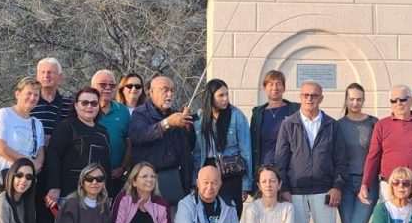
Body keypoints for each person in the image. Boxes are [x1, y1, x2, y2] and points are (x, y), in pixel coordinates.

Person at [275, 81, 344, 223]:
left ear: (321, 98)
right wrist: (283, 188)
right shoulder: (289, 124)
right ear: (300, 97)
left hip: (324, 191)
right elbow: (280, 160)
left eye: (314, 95)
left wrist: (337, 186)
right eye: (305, 95)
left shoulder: (332, 125)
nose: (309, 99)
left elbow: (340, 160)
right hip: (294, 191)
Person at [360, 86, 412, 216]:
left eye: (402, 99)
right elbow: (373, 156)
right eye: (394, 100)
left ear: (411, 101)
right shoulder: (382, 125)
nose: (398, 103)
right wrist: (365, 184)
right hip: (390, 187)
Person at [334, 83, 376, 223]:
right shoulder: (338, 126)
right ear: (346, 99)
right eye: (351, 99)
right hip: (346, 185)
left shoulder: (373, 123)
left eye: (359, 99)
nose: (355, 103)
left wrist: (369, 183)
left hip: (367, 185)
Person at [128, 76, 194, 208]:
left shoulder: (177, 114)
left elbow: (189, 146)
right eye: (164, 90)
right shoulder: (140, 114)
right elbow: (139, 136)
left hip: (176, 180)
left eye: (172, 90)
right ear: (151, 92)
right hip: (151, 180)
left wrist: (188, 127)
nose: (169, 94)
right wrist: (167, 123)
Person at [44, 88, 111, 214]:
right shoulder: (66, 127)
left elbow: (106, 165)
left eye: (94, 103)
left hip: (96, 195)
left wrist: (107, 192)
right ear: (76, 105)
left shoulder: (103, 132)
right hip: (69, 194)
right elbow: (53, 156)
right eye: (84, 103)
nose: (89, 106)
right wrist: (54, 186)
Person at [193, 79, 253, 214]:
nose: (225, 99)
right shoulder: (200, 117)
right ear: (210, 96)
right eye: (221, 95)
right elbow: (197, 152)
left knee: (231, 212)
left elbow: (246, 151)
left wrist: (246, 184)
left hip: (230, 169)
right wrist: (194, 180)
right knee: (207, 213)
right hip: (207, 169)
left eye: (227, 94)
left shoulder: (236, 116)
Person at [0, 78, 45, 198]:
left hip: (24, 182)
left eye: (36, 95)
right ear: (17, 94)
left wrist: (36, 165)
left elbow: (40, 151)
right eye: (29, 93)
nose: (32, 98)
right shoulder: (4, 115)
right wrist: (27, 163)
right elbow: (0, 148)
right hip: (2, 180)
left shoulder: (37, 124)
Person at [31, 58, 70, 223]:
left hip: (59, 168)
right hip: (33, 168)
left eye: (51, 72)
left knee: (55, 217)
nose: (47, 76)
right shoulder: (30, 102)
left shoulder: (69, 105)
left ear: (60, 77)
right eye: (43, 72)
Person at [249, 70, 298, 170]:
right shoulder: (258, 113)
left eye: (278, 84)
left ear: (284, 88)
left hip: (289, 168)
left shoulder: (295, 110)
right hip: (264, 168)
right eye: (271, 84)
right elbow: (253, 141)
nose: (275, 88)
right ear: (265, 88)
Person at [92, 70, 130, 197]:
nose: (108, 88)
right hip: (89, 178)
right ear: (92, 87)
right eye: (103, 85)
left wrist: (123, 167)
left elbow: (129, 142)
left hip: (116, 177)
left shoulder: (123, 111)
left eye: (112, 85)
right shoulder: (86, 108)